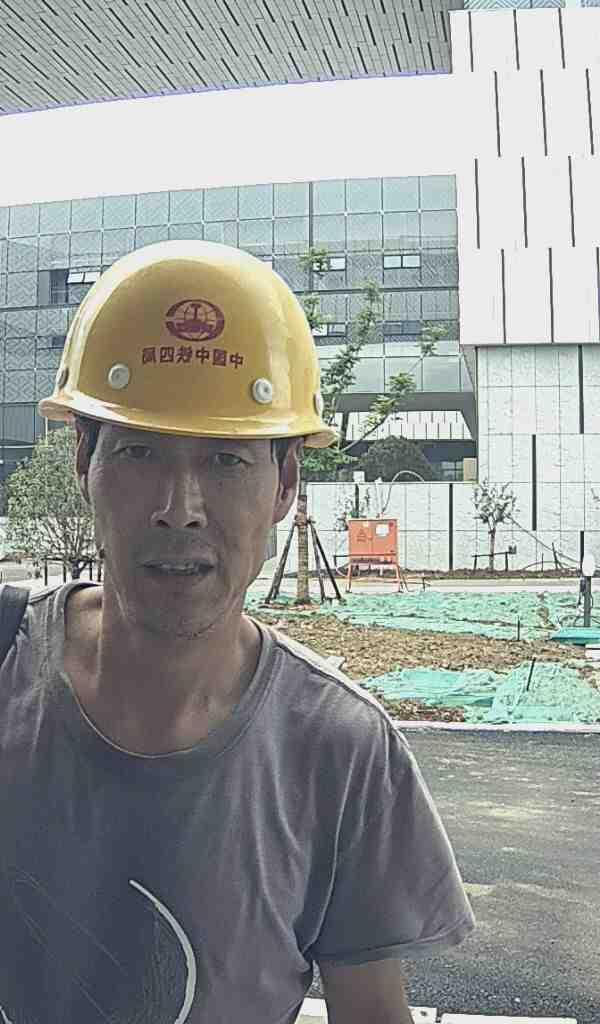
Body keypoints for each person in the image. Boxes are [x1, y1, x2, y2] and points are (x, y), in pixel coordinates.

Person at [0, 240, 475, 1024]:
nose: (179, 509)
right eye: (140, 452)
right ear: (84, 460)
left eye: (225, 461)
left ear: (285, 483)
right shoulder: (6, 662)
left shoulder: (341, 753)